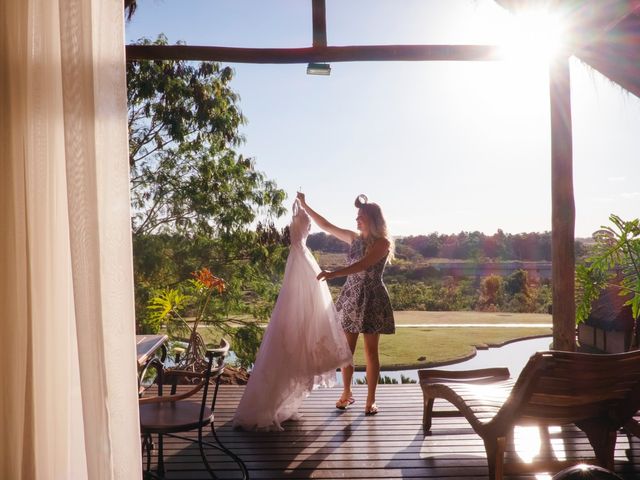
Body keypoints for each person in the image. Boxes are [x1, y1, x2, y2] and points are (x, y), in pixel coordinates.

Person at [232, 199, 352, 431]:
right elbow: (321, 225)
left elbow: (322, 225)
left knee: (305, 320)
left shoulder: (300, 214)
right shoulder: (299, 218)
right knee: (296, 317)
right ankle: (269, 406)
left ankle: (282, 403)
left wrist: (305, 204)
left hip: (303, 262)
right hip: (301, 263)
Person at [296, 192, 394, 416]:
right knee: (346, 351)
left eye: (361, 216)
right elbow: (326, 225)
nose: (357, 219)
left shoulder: (383, 243)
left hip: (372, 299)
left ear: (372, 219)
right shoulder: (354, 238)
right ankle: (347, 393)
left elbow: (363, 265)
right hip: (351, 296)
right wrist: (305, 204)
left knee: (371, 351)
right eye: (357, 215)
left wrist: (334, 274)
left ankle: (371, 400)